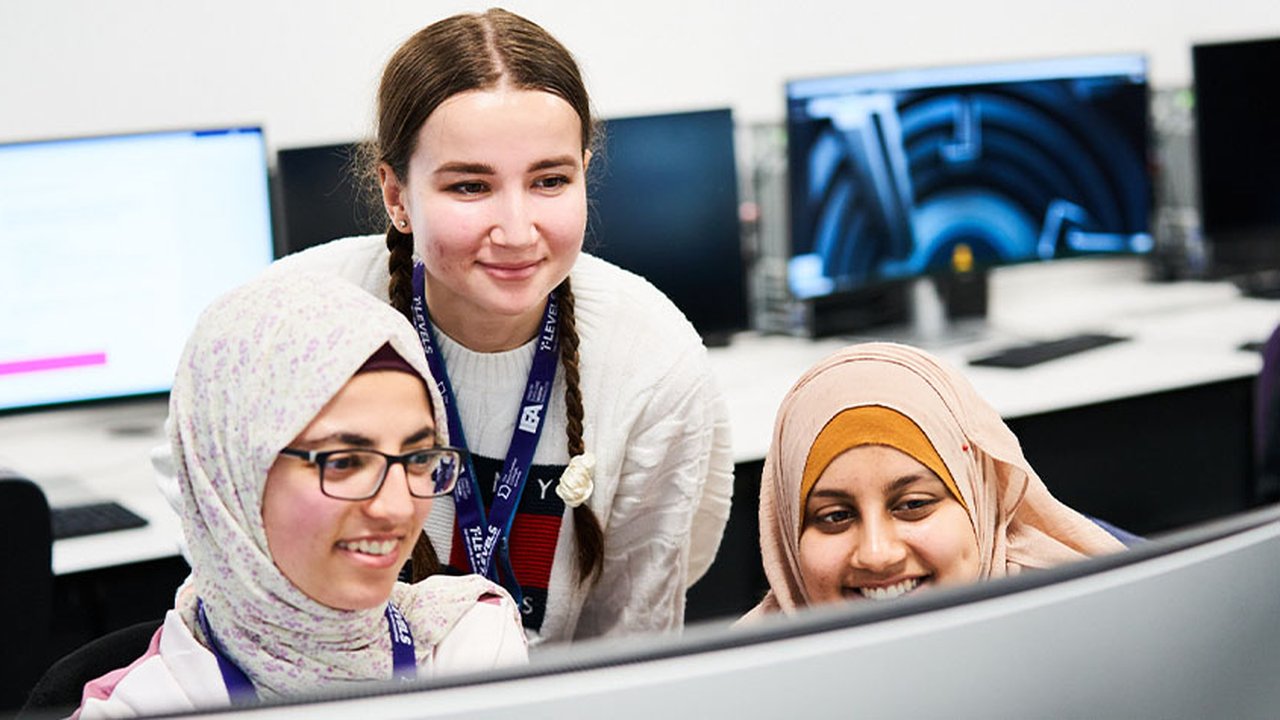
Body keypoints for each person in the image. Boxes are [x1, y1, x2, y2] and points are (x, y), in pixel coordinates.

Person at [259, 8, 734, 643]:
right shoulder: (294, 318)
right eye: (470, 187)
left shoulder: (650, 355)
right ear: (397, 195)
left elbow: (633, 633)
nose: (516, 232)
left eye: (550, 180)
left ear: (584, 173)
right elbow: (213, 521)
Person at [77, 273, 526, 718]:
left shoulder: (470, 647)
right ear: (233, 478)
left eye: (417, 458)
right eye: (345, 462)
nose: (395, 508)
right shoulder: (144, 706)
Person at [745, 342, 1126, 618]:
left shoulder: (1101, 631)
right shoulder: (737, 692)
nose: (878, 555)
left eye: (913, 505)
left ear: (980, 500)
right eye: (834, 516)